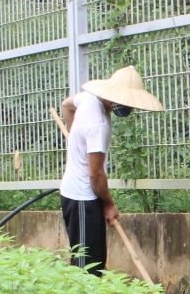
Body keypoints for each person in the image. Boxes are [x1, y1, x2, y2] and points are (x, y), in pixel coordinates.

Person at [59, 66, 164, 275]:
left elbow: (66, 105)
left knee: (95, 260)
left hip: (86, 195)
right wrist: (109, 204)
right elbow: (95, 175)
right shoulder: (98, 125)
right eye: (125, 101)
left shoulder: (88, 99)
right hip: (82, 198)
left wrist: (75, 138)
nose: (127, 107)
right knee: (86, 267)